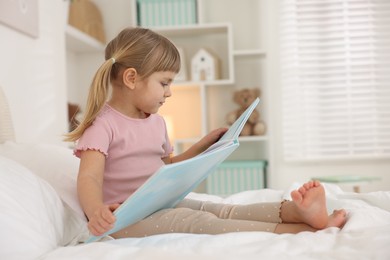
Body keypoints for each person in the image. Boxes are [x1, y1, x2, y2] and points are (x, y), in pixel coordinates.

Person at [64, 27, 346, 239]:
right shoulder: (103, 125)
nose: (169, 92)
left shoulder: (156, 122)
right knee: (195, 222)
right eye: (164, 82)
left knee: (219, 210)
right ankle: (302, 229)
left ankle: (298, 211)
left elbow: (162, 168)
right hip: (125, 219)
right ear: (131, 78)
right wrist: (96, 211)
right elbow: (88, 177)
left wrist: (203, 147)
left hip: (158, 203)